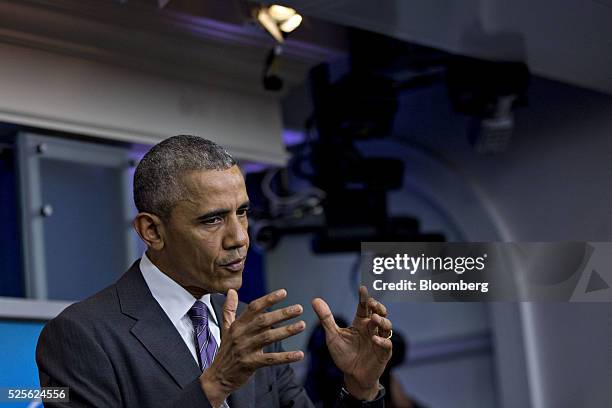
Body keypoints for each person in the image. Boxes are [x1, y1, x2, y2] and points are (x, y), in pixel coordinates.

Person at [36, 135, 394, 407]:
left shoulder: (252, 327)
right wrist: (212, 386)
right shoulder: (81, 335)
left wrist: (361, 387)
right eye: (212, 219)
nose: (239, 238)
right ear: (152, 231)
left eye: (242, 212)